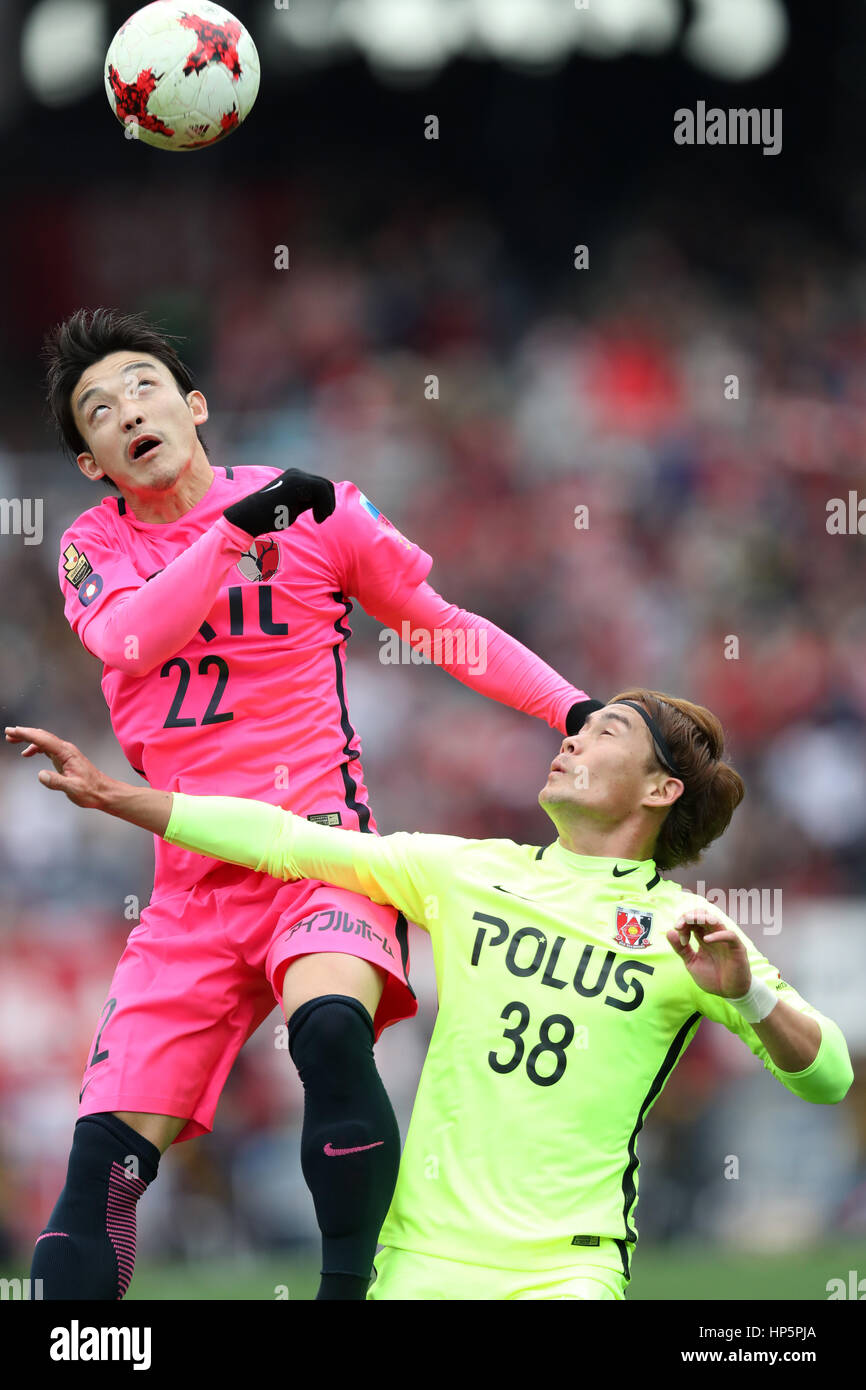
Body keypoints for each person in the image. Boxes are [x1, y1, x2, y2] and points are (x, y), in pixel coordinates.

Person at [31, 306, 600, 1301]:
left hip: (320, 856)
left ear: (194, 405)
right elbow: (129, 641)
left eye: (142, 385)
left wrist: (574, 708)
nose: (126, 409)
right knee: (99, 1178)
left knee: (331, 1031)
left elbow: (441, 625)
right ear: (91, 464)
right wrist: (227, 539)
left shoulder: (319, 510)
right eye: (98, 409)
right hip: (190, 892)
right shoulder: (90, 546)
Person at [7, 690, 853, 1300]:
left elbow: (831, 1077)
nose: (570, 741)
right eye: (577, 728)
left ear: (660, 790)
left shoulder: (690, 931)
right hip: (417, 1263)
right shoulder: (470, 870)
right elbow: (286, 840)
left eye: (604, 733)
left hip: (567, 1270)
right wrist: (121, 797)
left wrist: (745, 999)